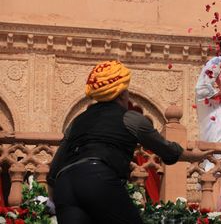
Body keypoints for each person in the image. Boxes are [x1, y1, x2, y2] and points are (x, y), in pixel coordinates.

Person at [47, 60, 209, 224]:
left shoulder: (77, 121)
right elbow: (166, 150)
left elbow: (55, 167)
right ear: (122, 94)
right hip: (97, 177)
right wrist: (193, 156)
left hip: (64, 184)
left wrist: (55, 199)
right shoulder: (130, 118)